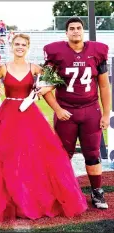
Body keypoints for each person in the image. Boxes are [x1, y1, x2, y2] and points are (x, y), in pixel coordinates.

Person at [0, 33, 87, 221]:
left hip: (29, 114)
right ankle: (6, 199)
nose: (20, 47)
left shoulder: (35, 68)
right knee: (3, 154)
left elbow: (53, 82)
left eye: (23, 44)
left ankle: (31, 198)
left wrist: (45, 92)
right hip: (7, 115)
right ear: (11, 46)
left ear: (28, 47)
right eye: (17, 44)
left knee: (34, 154)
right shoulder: (3, 69)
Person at [43, 17, 111, 209]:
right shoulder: (56, 53)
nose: (75, 31)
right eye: (71, 28)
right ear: (66, 33)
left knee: (92, 153)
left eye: (78, 28)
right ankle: (61, 191)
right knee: (63, 155)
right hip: (66, 110)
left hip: (91, 110)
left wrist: (106, 114)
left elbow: (104, 86)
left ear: (83, 31)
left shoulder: (97, 52)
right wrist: (57, 109)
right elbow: (44, 87)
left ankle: (97, 191)